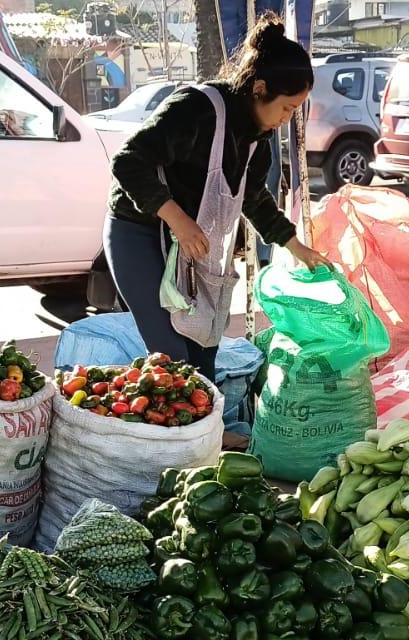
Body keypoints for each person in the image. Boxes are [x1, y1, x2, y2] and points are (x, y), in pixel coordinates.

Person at [105, 13, 330, 378]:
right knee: (173, 358)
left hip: (190, 250)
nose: (287, 119)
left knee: (203, 352)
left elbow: (254, 199)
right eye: (287, 108)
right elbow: (128, 161)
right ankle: (177, 434)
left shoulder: (258, 141)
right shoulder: (196, 109)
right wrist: (177, 219)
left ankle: (209, 433)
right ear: (260, 89)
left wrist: (295, 246)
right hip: (139, 232)